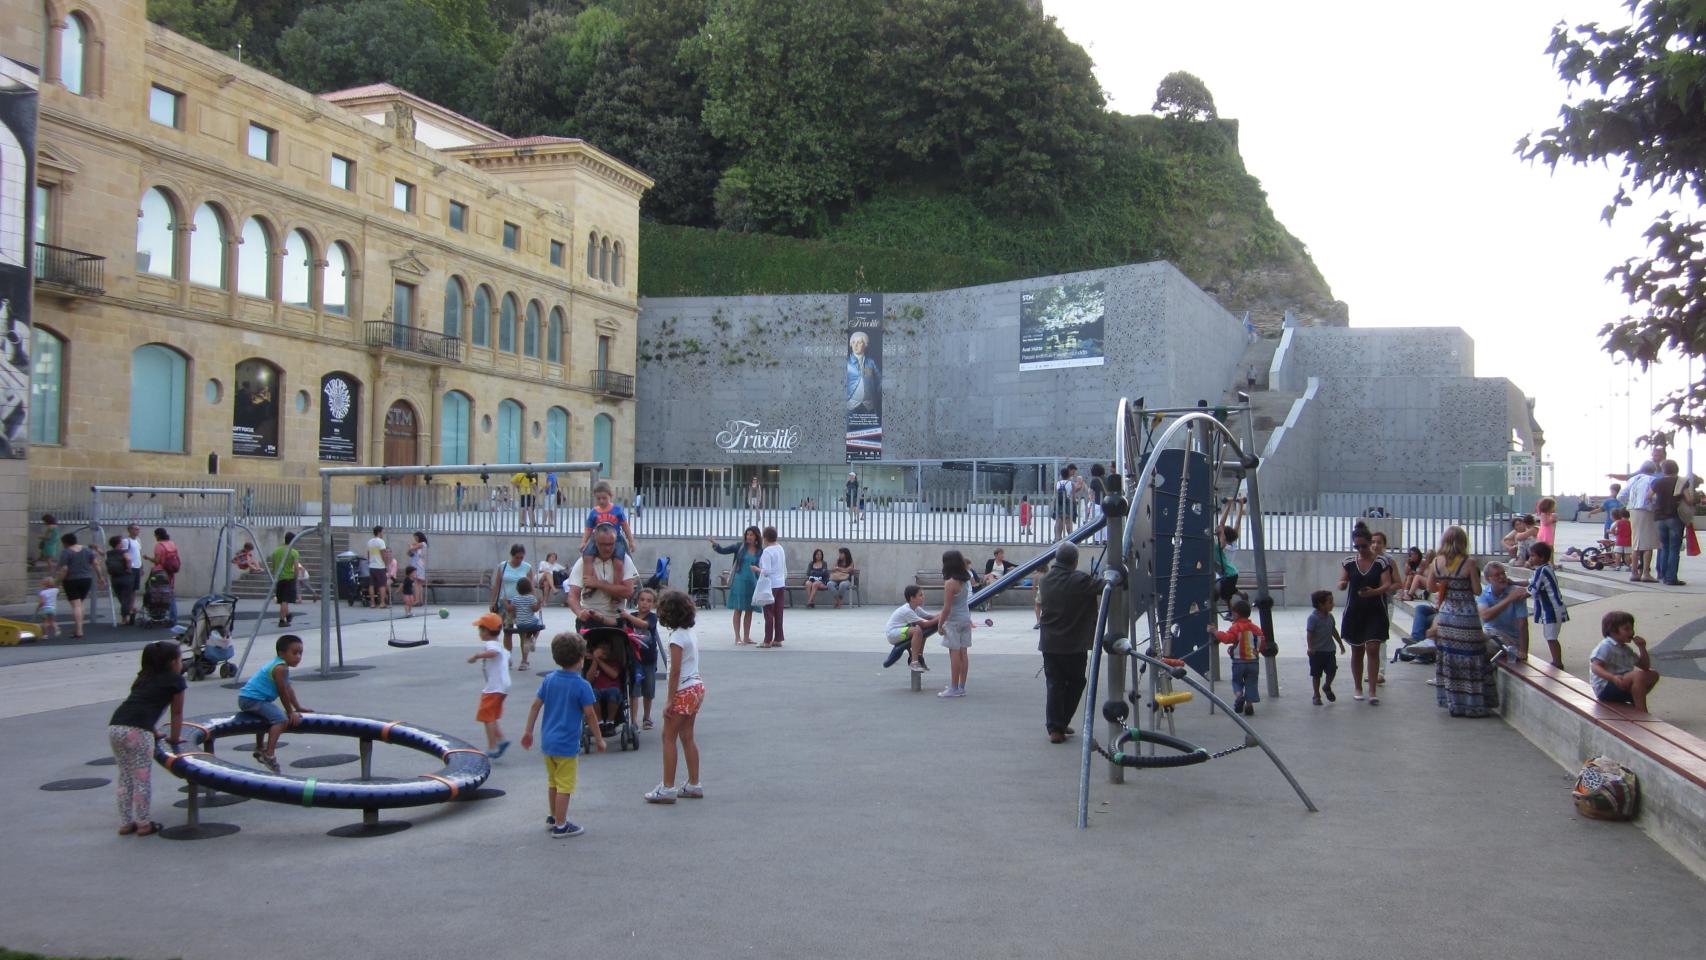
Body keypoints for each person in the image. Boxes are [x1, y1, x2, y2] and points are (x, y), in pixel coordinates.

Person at [520, 632, 604, 838]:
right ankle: (561, 824)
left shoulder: (549, 680)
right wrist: (599, 738)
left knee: (553, 782)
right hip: (566, 744)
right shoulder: (582, 685)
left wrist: (528, 731)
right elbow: (591, 715)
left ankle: (552, 815)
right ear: (580, 659)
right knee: (565, 785)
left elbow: (535, 706)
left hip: (548, 741)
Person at [107, 640, 185, 836]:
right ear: (172, 662)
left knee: (125, 776)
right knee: (142, 778)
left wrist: (155, 731)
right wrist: (174, 739)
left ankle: (126, 823)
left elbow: (141, 705)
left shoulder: (142, 678)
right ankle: (143, 823)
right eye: (180, 658)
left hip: (116, 726)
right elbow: (176, 713)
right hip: (138, 731)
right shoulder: (175, 681)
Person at [1425, 526, 1497, 718]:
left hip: (1446, 615)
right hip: (1466, 616)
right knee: (1471, 657)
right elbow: (1477, 590)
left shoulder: (1436, 562)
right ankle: (1473, 704)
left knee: (1451, 658)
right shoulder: (1469, 563)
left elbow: (1431, 587)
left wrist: (1445, 584)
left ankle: (1454, 703)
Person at [645, 590, 706, 803]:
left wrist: (670, 700)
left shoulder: (676, 637)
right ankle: (693, 783)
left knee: (668, 737)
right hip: (697, 687)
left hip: (684, 689)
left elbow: (675, 670)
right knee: (687, 736)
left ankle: (668, 787)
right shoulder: (689, 631)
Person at [1037, 542, 1100, 741]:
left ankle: (1057, 727)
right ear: (1075, 561)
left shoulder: (1045, 580)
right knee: (1076, 682)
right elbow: (1106, 585)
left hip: (1049, 642)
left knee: (1054, 683)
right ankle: (1059, 724)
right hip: (1073, 643)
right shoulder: (1079, 580)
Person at [236, 634, 312, 772]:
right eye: (294, 653)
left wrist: (298, 707)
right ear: (282, 654)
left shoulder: (281, 666)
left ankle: (260, 748)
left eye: (300, 653)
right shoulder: (280, 669)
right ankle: (269, 754)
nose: (298, 657)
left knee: (267, 717)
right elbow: (282, 692)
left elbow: (288, 688)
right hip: (251, 700)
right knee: (280, 720)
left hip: (250, 698)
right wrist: (290, 712)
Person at [1338, 524, 1395, 704]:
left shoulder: (1381, 563)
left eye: (1364, 546)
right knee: (1357, 650)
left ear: (1370, 543)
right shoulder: (1349, 562)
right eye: (1357, 547)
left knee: (1373, 648)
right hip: (1355, 610)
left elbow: (1387, 584)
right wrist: (1342, 583)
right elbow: (1343, 578)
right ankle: (1358, 686)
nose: (1361, 550)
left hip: (1375, 610)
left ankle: (1372, 689)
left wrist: (1374, 592)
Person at [1590, 610, 1661, 711]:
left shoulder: (1626, 649)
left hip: (1622, 685)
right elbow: (1595, 667)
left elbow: (1645, 666)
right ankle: (1641, 710)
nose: (1631, 632)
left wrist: (1642, 647)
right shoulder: (1606, 646)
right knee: (1638, 675)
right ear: (1613, 631)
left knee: (1653, 675)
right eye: (1626, 629)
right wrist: (1612, 678)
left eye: (1632, 628)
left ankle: (1634, 698)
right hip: (1606, 687)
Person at [466, 612, 511, 759]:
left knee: (486, 717)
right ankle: (501, 740)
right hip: (502, 686)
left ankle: (492, 747)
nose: (479, 632)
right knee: (491, 716)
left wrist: (477, 656)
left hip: (494, 687)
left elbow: (493, 653)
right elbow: (508, 659)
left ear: (486, 631)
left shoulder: (491, 645)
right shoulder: (501, 645)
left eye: (480, 629)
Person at [710, 527, 763, 645]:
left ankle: (746, 637)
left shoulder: (760, 550)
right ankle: (737, 637)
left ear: (756, 537)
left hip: (752, 581)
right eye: (747, 534)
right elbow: (723, 550)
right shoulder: (739, 546)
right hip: (739, 580)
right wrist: (715, 544)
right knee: (738, 609)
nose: (748, 537)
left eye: (751, 535)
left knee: (749, 610)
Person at [620, 587, 663, 730]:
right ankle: (634, 720)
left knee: (648, 690)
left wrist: (627, 616)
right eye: (642, 600)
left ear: (653, 604)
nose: (645, 603)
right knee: (634, 690)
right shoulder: (629, 616)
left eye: (649, 601)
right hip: (634, 660)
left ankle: (647, 716)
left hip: (649, 660)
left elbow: (644, 625)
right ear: (637, 601)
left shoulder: (652, 617)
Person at [1215, 597, 1265, 716]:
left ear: (1236, 614)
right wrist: (1259, 651)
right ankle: (1249, 705)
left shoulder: (1236, 627)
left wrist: (1215, 632)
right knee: (1251, 683)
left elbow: (1227, 639)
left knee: (1237, 681)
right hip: (1253, 662)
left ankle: (1239, 696)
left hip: (1238, 662)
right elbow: (1262, 642)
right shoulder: (1256, 629)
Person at [937, 550, 974, 698]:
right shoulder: (966, 578)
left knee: (954, 653)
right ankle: (961, 686)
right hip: (966, 618)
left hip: (953, 621)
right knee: (964, 654)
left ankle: (953, 687)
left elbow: (947, 608)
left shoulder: (950, 583)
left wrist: (940, 624)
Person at [1477, 561, 1530, 663]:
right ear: (1488, 579)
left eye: (1503, 573)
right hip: (1490, 634)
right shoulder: (1485, 593)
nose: (1502, 577)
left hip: (1510, 640)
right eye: (1497, 575)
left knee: (1482, 648)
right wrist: (1509, 599)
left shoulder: (1516, 592)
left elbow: (1523, 624)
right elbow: (1485, 616)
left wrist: (1523, 651)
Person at [1526, 542, 1569, 668]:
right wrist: (1514, 583)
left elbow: (1532, 589)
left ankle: (1557, 662)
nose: (1531, 558)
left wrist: (1514, 596)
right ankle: (1556, 660)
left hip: (1551, 609)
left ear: (1542, 557)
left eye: (1533, 556)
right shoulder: (1544, 569)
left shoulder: (1542, 571)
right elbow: (1530, 582)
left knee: (1551, 637)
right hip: (1553, 608)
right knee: (1550, 636)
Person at [54, 532, 102, 639]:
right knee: (80, 604)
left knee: (76, 605)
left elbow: (64, 569)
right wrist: (100, 577)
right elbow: (96, 564)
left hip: (71, 580)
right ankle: (78, 628)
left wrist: (57, 582)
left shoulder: (66, 552)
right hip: (86, 579)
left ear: (65, 542)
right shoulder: (87, 550)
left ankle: (79, 631)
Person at [488, 544, 533, 656]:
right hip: (506, 602)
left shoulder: (527, 567)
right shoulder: (502, 566)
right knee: (507, 631)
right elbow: (497, 585)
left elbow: (531, 587)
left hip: (523, 603)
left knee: (524, 632)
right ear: (512, 556)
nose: (519, 560)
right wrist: (493, 601)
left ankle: (525, 659)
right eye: (516, 557)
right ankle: (508, 657)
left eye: (521, 557)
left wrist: (534, 602)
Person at [1653, 459, 1692, 586]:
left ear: (1663, 470)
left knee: (1664, 547)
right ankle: (1671, 578)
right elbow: (1689, 499)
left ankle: (1663, 575)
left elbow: (1648, 496)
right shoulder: (1681, 482)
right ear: (1676, 469)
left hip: (1659, 517)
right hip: (1675, 517)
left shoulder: (1657, 482)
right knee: (1674, 548)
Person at [883, 585, 939, 671]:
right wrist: (941, 617)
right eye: (920, 595)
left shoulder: (916, 608)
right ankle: (914, 662)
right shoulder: (907, 610)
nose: (923, 597)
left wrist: (943, 615)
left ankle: (919, 657)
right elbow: (924, 624)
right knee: (917, 630)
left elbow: (931, 617)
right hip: (893, 634)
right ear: (912, 598)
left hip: (902, 630)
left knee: (921, 631)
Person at [1305, 589, 1346, 705]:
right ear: (1320, 604)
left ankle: (1327, 686)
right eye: (1330, 602)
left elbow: (1334, 630)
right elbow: (1309, 634)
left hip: (1329, 650)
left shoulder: (1330, 617)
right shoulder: (1313, 618)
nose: (1333, 604)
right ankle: (1316, 694)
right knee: (1316, 674)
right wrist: (1310, 647)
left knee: (1332, 670)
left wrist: (1340, 643)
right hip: (1317, 652)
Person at [580, 480, 634, 561]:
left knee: (619, 558)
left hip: (616, 541)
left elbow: (625, 527)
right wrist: (584, 542)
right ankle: (588, 573)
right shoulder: (593, 513)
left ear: (610, 496)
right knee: (587, 556)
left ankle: (618, 573)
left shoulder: (617, 510)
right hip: (597, 541)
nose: (601, 501)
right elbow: (588, 529)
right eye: (598, 498)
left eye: (604, 498)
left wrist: (631, 541)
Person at [1625, 461, 1660, 582]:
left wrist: (1629, 504)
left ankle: (1634, 572)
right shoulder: (1652, 480)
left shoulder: (1633, 479)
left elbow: (1621, 495)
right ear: (1653, 470)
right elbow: (1654, 497)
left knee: (1636, 542)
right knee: (1647, 543)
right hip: (1646, 510)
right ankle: (1645, 572)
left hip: (1632, 510)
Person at [585, 634, 625, 731]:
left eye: (607, 649)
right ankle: (599, 722)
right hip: (597, 689)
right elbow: (588, 680)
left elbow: (614, 674)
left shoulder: (614, 662)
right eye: (602, 648)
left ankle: (610, 721)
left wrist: (598, 660)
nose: (604, 651)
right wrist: (595, 661)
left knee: (613, 692)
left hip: (612, 689)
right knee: (592, 693)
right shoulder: (592, 663)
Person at [267, 532, 308, 628]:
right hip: (289, 578)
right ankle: (282, 620)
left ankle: (288, 614)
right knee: (285, 600)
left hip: (279, 578)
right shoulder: (293, 552)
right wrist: (296, 577)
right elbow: (296, 566)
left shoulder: (276, 551)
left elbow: (273, 564)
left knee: (282, 599)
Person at [1215, 498, 1245, 619]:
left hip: (1225, 572)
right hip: (1229, 571)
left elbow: (1221, 525)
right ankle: (1242, 595)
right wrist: (1240, 506)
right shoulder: (1233, 544)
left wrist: (1229, 505)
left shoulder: (1222, 546)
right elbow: (1237, 523)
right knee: (1229, 591)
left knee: (1226, 595)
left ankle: (1231, 612)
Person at [757, 526, 787, 647]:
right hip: (780, 583)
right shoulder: (780, 548)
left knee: (768, 612)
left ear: (765, 538)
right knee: (778, 611)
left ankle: (767, 640)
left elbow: (767, 570)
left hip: (771, 584)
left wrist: (757, 569)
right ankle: (778, 638)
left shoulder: (767, 551)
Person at [144, 528, 181, 624]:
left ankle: (157, 614)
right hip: (170, 571)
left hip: (160, 572)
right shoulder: (172, 544)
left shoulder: (159, 546)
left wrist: (148, 558)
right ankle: (173, 616)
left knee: (155, 592)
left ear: (158, 535)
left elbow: (157, 561)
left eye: (155, 535)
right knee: (170, 592)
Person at [508, 576, 545, 671]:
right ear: (529, 588)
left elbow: (511, 609)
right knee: (539, 625)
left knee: (526, 640)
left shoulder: (515, 599)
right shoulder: (531, 598)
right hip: (531, 623)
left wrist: (505, 602)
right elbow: (535, 609)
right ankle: (534, 639)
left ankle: (524, 662)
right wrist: (540, 603)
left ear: (517, 588)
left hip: (520, 624)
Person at [105, 536, 136, 627]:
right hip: (126, 577)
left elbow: (104, 555)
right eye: (121, 542)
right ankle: (126, 615)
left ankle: (128, 612)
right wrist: (129, 569)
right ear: (118, 544)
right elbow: (129, 559)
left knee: (121, 598)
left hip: (115, 578)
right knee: (126, 598)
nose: (122, 544)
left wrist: (97, 549)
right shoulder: (124, 552)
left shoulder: (109, 553)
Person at [846, 330, 879, 413]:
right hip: (850, 405)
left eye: (859, 342)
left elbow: (880, 380)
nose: (855, 345)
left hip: (869, 406)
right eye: (853, 342)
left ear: (865, 345)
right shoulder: (847, 362)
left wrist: (875, 395)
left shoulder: (871, 362)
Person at [365, 526, 388, 608]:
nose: (383, 533)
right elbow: (383, 554)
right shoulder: (381, 542)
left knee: (371, 585)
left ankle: (372, 603)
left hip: (372, 565)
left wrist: (370, 562)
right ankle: (382, 603)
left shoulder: (370, 542)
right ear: (379, 532)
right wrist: (386, 564)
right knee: (382, 584)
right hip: (380, 566)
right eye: (382, 532)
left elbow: (368, 554)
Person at [408, 532, 429, 599]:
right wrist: (411, 548)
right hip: (415, 565)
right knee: (418, 583)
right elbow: (410, 553)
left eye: (415, 537)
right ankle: (419, 600)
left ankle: (417, 600)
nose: (415, 539)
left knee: (417, 583)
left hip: (419, 565)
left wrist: (411, 546)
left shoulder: (423, 544)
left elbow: (411, 548)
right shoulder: (417, 545)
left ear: (419, 537)